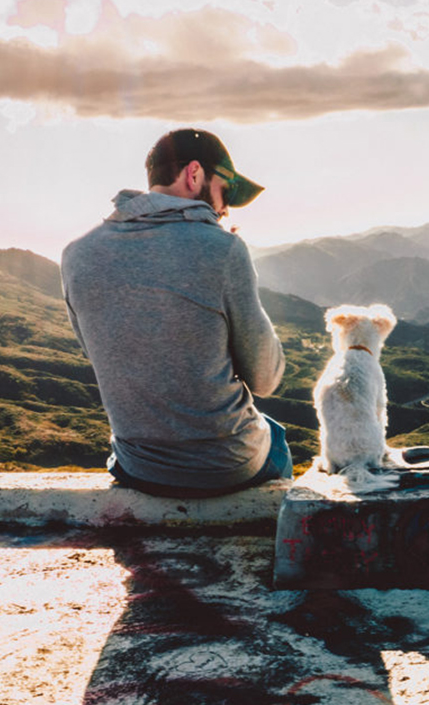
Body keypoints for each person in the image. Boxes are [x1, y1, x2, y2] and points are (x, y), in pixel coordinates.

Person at [60, 128, 292, 497]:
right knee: (275, 437)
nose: (225, 208)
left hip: (138, 466)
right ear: (194, 174)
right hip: (224, 464)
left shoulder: (76, 254)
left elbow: (106, 353)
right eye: (225, 191)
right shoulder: (224, 249)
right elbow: (265, 378)